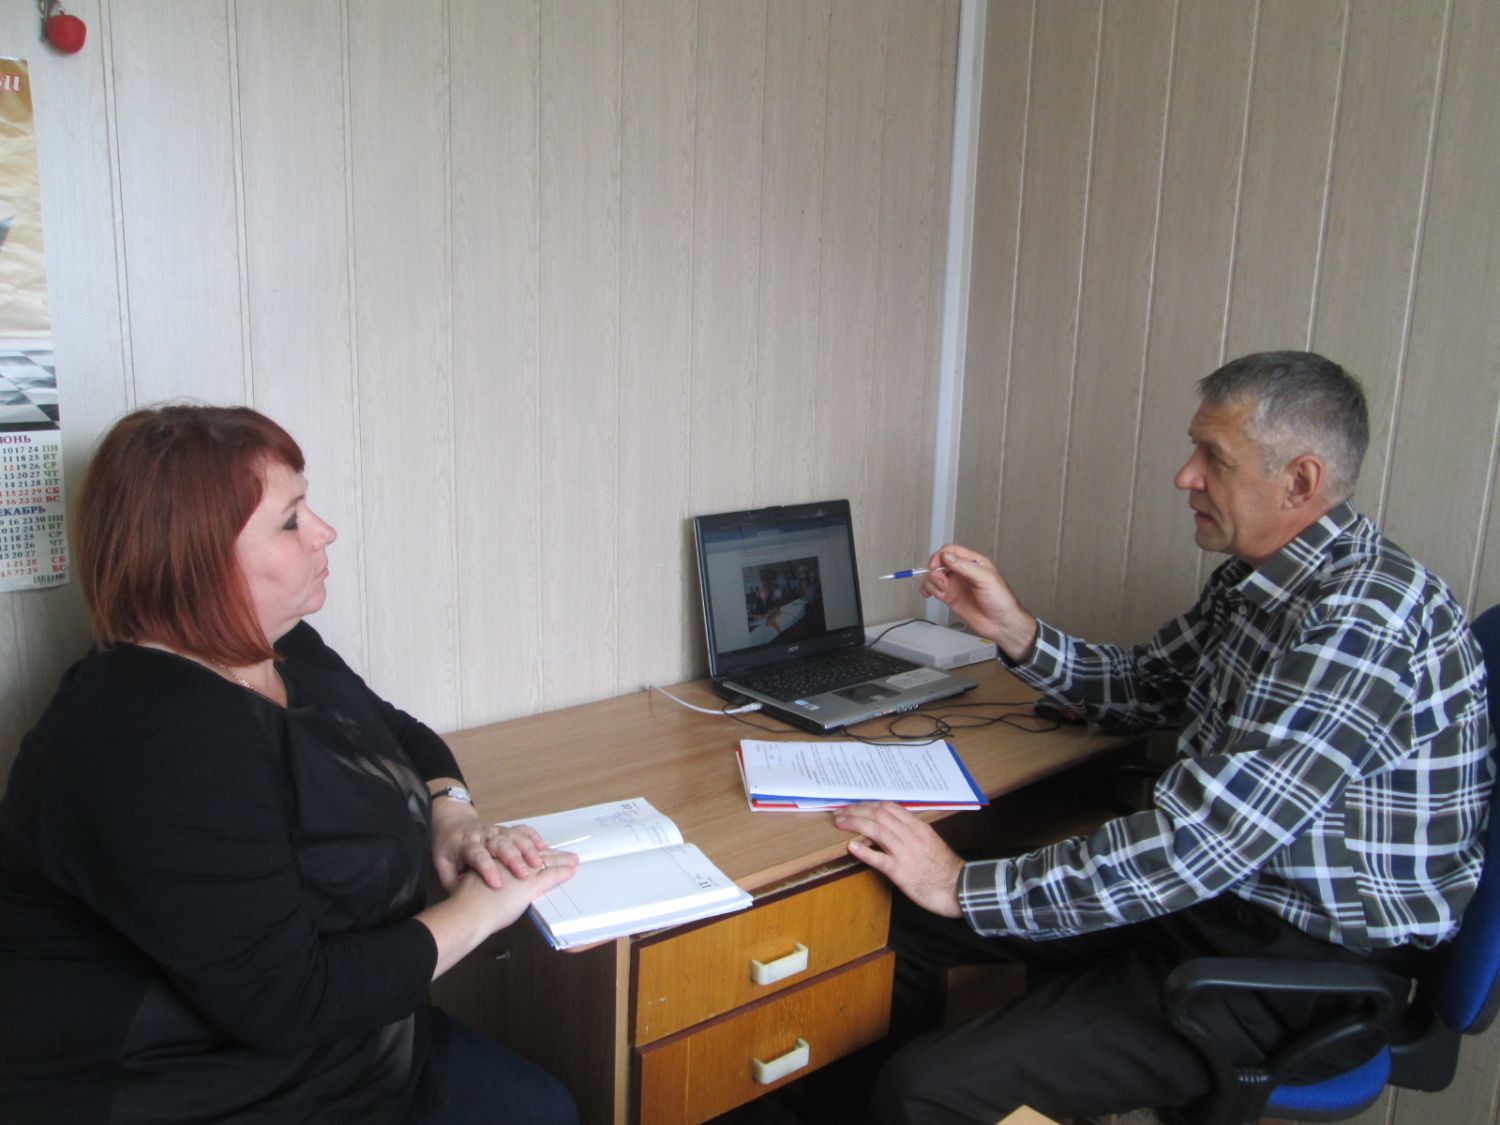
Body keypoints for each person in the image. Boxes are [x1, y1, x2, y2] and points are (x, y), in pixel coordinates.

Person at [833, 352, 1494, 1123]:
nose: (1185, 476)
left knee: (926, 1088)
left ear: (1300, 481)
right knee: (889, 924)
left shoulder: (1362, 622)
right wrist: (1015, 630)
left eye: (1213, 456)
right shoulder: (1258, 579)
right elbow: (1147, 685)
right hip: (1213, 903)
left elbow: (1202, 843)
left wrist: (960, 883)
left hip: (1299, 965)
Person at [0, 405, 581, 1124]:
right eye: (291, 520)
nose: (324, 531)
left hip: (359, 1043)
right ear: (196, 560)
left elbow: (402, 736)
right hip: (207, 1087)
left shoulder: (277, 646)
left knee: (544, 1105)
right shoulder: (142, 735)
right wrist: (481, 910)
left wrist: (453, 815)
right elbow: (289, 1002)